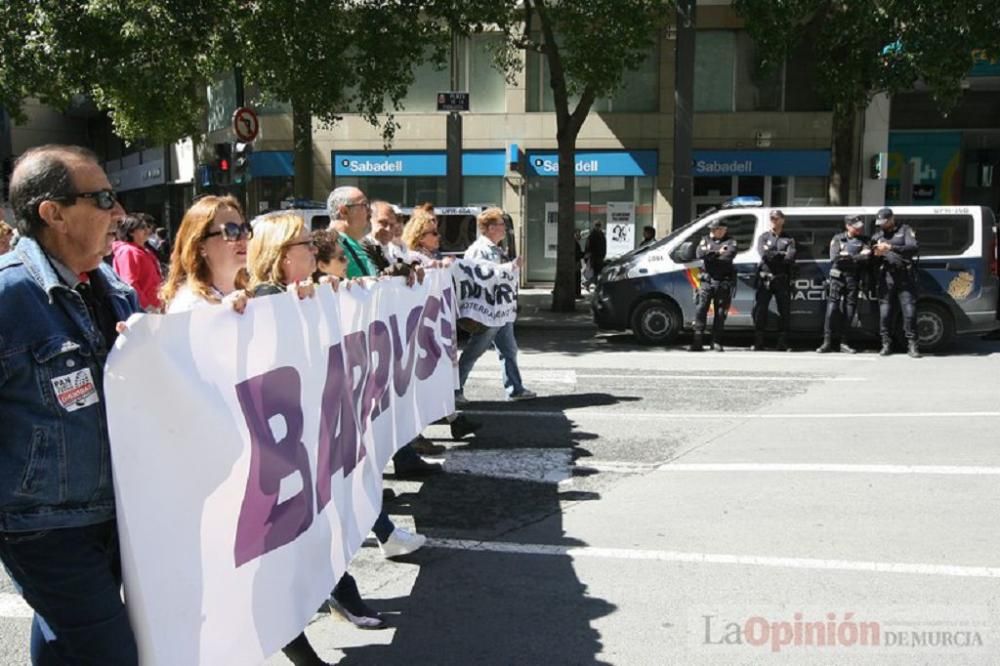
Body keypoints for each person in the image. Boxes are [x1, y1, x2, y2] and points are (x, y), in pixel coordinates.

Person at [0, 144, 141, 664]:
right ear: (53, 213)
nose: (118, 212)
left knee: (65, 640)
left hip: (117, 513)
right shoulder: (9, 296)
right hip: (42, 527)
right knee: (112, 653)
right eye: (102, 198)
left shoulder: (117, 291)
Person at [327, 186, 445, 473]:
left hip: (371, 339)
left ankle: (400, 461)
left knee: (386, 403)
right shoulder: (331, 243)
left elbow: (379, 278)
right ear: (343, 211)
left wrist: (400, 273)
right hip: (350, 342)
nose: (368, 211)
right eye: (362, 205)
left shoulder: (363, 245)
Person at [457, 207, 537, 403]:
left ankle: (515, 389)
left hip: (499, 311)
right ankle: (454, 391)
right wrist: (509, 268)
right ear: (491, 228)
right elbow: (481, 276)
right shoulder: (478, 250)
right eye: (501, 225)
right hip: (488, 312)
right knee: (474, 351)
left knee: (509, 350)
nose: (504, 229)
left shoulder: (495, 248)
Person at [160, 195, 249, 312]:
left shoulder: (249, 296)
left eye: (244, 229)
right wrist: (224, 312)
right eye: (231, 231)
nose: (242, 239)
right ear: (201, 246)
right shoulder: (189, 305)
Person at [817, 215, 871, 354]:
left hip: (853, 279)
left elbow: (867, 257)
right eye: (856, 226)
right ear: (848, 226)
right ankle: (826, 342)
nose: (859, 228)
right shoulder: (838, 238)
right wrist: (856, 257)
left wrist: (848, 257)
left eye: (860, 226)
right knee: (832, 309)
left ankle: (844, 342)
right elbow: (835, 258)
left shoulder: (864, 240)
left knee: (849, 310)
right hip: (837, 278)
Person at [872, 207, 921, 358]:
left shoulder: (905, 230)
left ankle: (912, 345)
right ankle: (886, 344)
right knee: (885, 314)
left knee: (909, 312)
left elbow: (913, 248)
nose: (882, 225)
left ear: (892, 218)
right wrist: (875, 253)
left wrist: (891, 247)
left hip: (904, 276)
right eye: (880, 222)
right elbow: (870, 256)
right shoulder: (878, 235)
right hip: (886, 277)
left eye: (884, 222)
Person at [689, 219, 737, 352]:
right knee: (701, 309)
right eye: (712, 229)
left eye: (715, 229)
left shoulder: (730, 242)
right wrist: (717, 252)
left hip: (723, 282)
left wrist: (711, 254)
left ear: (723, 230)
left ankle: (716, 341)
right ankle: (697, 341)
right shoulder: (705, 239)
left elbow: (728, 256)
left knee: (720, 313)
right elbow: (700, 254)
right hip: (706, 281)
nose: (712, 231)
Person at [752, 209, 797, 351]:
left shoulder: (789, 239)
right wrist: (780, 255)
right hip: (765, 279)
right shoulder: (763, 237)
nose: (774, 221)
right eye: (772, 219)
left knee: (784, 311)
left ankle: (783, 342)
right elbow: (764, 255)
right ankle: (759, 342)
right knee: (761, 310)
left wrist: (774, 254)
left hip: (781, 279)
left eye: (777, 219)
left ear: (782, 220)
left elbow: (790, 258)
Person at [111, 213, 163, 311]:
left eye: (147, 227)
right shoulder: (128, 251)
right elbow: (129, 284)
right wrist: (147, 306)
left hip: (154, 307)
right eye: (142, 228)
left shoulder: (142, 250)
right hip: (143, 311)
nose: (148, 230)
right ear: (131, 231)